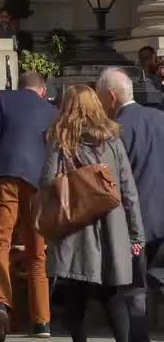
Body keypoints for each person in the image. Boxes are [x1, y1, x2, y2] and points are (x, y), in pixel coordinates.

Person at [41, 84, 144, 342]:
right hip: (112, 225)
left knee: (75, 301)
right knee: (113, 298)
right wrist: (136, 236)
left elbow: (46, 183)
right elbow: (128, 190)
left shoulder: (60, 140)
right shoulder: (112, 139)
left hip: (76, 229)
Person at [0, 69, 56, 341]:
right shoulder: (51, 110)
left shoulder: (0, 98)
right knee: (37, 253)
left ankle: (1, 304)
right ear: (43, 90)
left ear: (20, 86)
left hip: (3, 176)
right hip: (37, 182)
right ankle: (42, 322)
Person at [96, 68, 164, 342]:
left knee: (135, 292)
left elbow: (112, 184)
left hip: (135, 224)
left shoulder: (115, 132)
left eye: (101, 99)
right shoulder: (161, 118)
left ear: (111, 97)